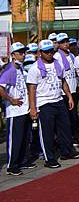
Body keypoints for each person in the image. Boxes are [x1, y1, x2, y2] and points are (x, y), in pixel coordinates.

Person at [27, 39, 79, 168]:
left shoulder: (58, 64)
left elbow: (63, 81)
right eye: (46, 52)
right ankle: (49, 158)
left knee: (65, 128)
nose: (49, 54)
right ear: (40, 53)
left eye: (51, 51)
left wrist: (69, 97)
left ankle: (66, 152)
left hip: (58, 100)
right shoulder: (35, 68)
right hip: (44, 103)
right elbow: (32, 89)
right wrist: (33, 108)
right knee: (47, 132)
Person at [0, 43, 32, 175]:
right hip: (14, 111)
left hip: (24, 108)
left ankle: (22, 161)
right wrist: (11, 99)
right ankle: (12, 165)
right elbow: (1, 89)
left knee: (24, 137)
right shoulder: (9, 70)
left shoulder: (20, 68)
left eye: (24, 52)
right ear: (13, 55)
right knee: (15, 138)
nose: (23, 55)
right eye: (20, 53)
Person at [54, 33, 79, 146]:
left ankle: (74, 137)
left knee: (74, 115)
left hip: (74, 88)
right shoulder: (57, 56)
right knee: (66, 117)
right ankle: (67, 139)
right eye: (62, 42)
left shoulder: (71, 55)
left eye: (66, 41)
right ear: (58, 44)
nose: (65, 44)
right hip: (64, 91)